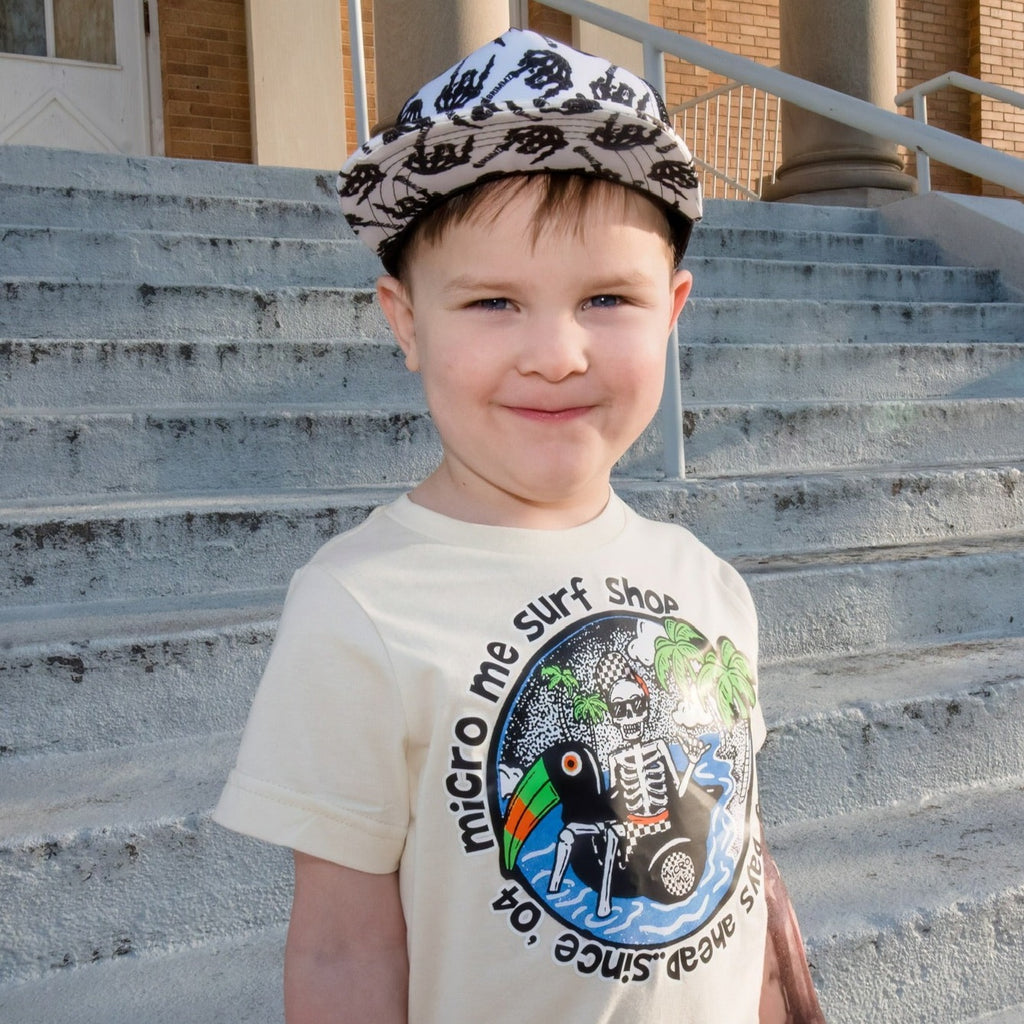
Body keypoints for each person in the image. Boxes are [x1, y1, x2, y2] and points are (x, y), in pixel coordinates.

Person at [214, 27, 825, 1024]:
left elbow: (741, 859)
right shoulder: (357, 605)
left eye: (606, 297)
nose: (555, 353)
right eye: (494, 300)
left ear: (673, 311)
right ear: (406, 320)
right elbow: (339, 948)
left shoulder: (706, 582)